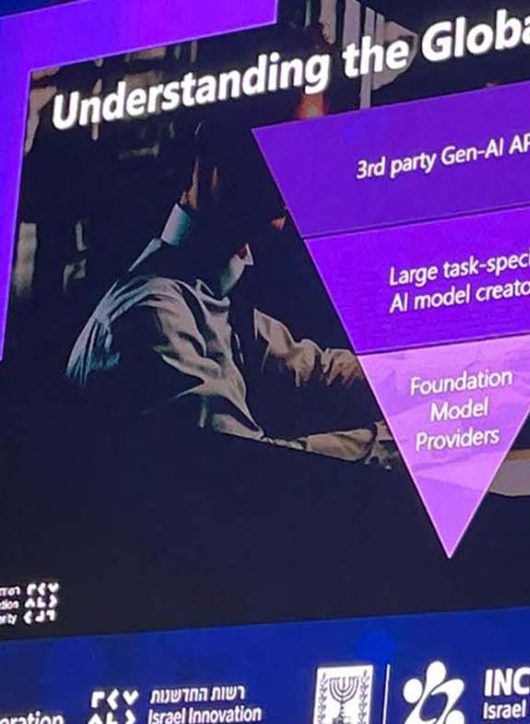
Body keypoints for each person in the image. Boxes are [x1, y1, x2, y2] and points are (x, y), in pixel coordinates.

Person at [64, 117, 393, 465]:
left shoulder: (210, 294)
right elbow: (247, 467)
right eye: (285, 143)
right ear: (213, 153)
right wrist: (390, 446)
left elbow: (313, 369)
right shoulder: (154, 317)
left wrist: (420, 381)